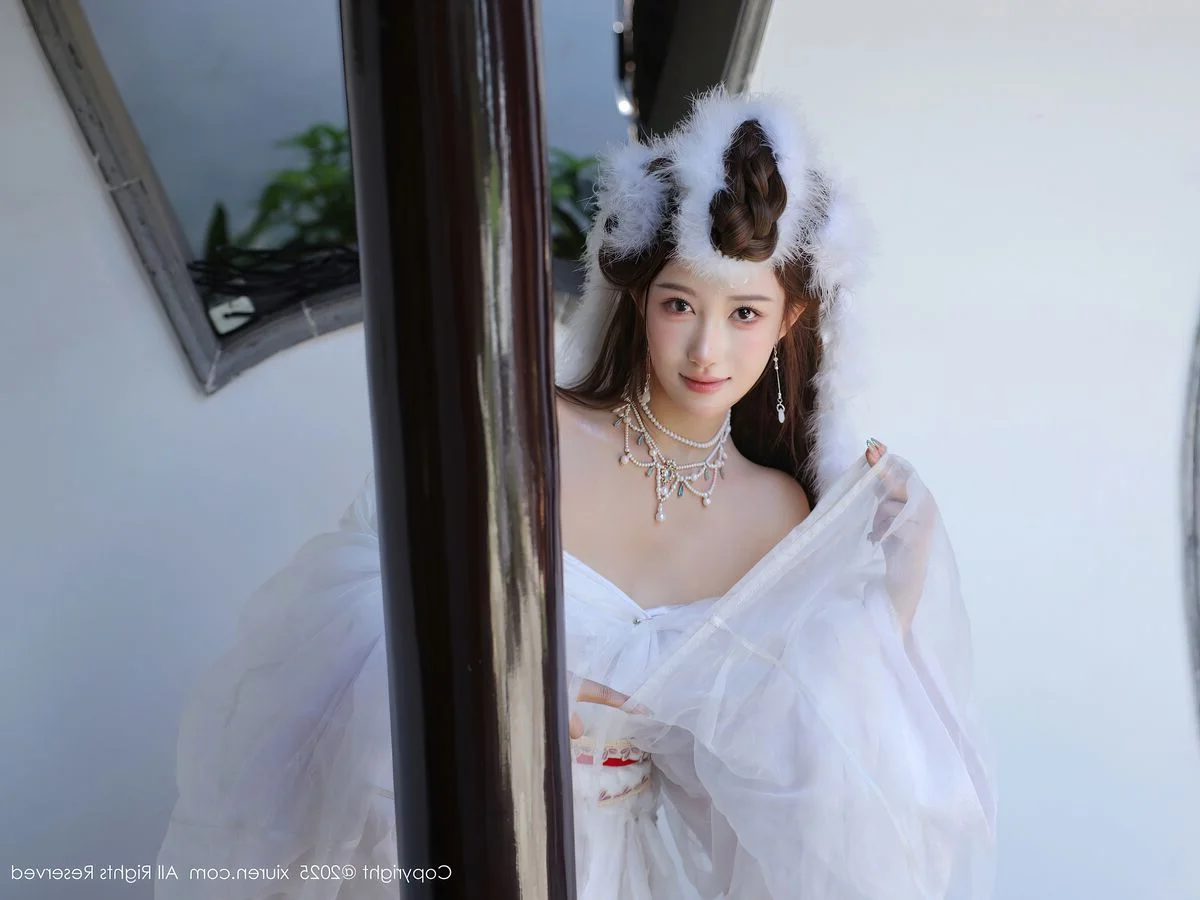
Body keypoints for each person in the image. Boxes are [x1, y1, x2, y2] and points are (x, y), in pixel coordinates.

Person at [156, 89, 996, 900]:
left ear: (790, 320)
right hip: (470, 847)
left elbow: (793, 755)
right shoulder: (532, 437)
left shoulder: (779, 513)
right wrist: (508, 692)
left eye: (745, 314)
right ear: (640, 298)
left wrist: (899, 583)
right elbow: (361, 625)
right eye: (680, 304)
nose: (706, 349)